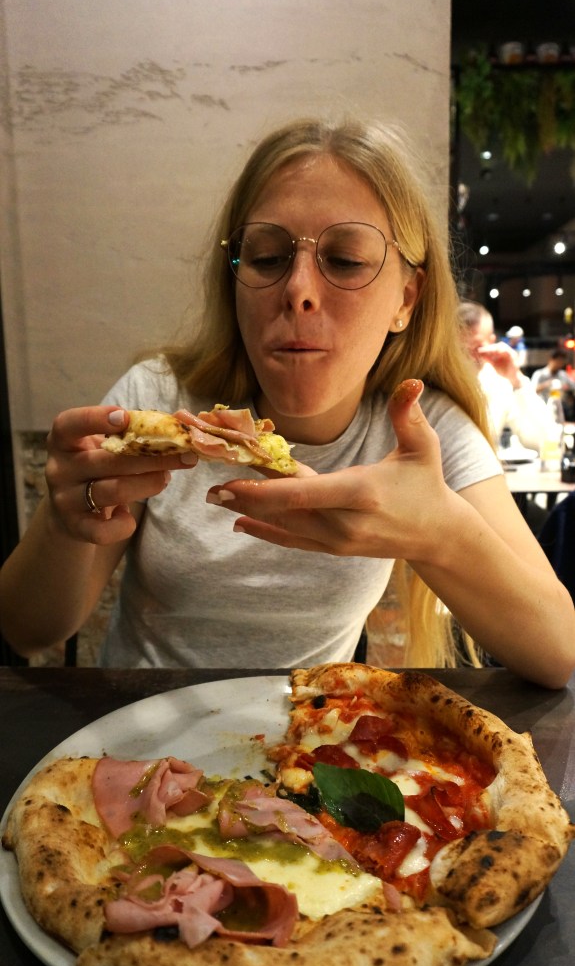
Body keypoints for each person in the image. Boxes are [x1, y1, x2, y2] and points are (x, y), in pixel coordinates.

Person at [0, 116, 573, 689]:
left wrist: (440, 534)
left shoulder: (420, 429)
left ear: (406, 297)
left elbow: (559, 653)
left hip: (304, 742)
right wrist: (65, 520)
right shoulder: (156, 396)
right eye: (268, 257)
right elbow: (29, 631)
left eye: (345, 260)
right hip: (139, 735)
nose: (298, 289)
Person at [457, 300, 550, 452]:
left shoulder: (498, 383)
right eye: (460, 349)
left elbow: (543, 440)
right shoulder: (433, 381)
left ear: (491, 341)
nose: (467, 358)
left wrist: (517, 380)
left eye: (476, 348)